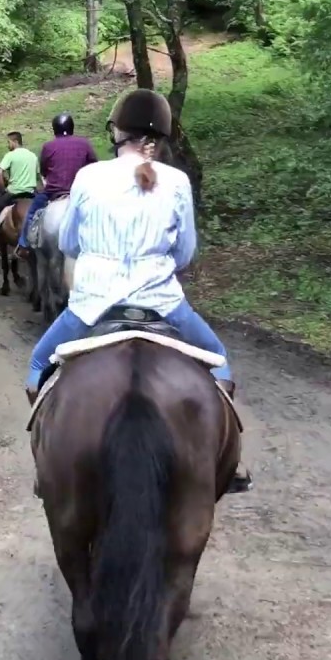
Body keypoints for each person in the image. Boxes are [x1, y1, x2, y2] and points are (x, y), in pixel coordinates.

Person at [23, 88, 250, 489]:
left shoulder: (89, 177)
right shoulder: (177, 182)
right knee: (219, 357)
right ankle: (228, 467)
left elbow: (69, 243)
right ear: (160, 139)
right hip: (162, 304)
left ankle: (46, 469)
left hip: (92, 306)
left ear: (116, 133)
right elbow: (184, 252)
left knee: (39, 365)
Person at [17, 113, 97, 257]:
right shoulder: (84, 143)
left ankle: (23, 245)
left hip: (54, 192)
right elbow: (93, 165)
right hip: (80, 192)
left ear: (55, 129)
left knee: (30, 213)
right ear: (71, 127)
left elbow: (43, 170)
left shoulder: (48, 146)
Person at [0, 131, 40, 231]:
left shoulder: (10, 155)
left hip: (14, 192)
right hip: (30, 192)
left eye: (9, 142)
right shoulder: (33, 156)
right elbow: (38, 176)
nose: (8, 145)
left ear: (15, 142)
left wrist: (3, 189)